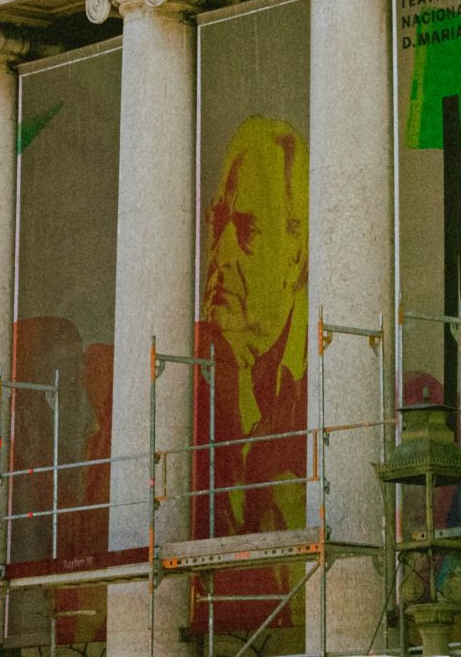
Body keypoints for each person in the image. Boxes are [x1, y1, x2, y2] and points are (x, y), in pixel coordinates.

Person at [193, 115, 310, 630]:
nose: (217, 255)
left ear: (295, 252)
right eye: (218, 225)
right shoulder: (189, 385)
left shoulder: (326, 387)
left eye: (244, 230)